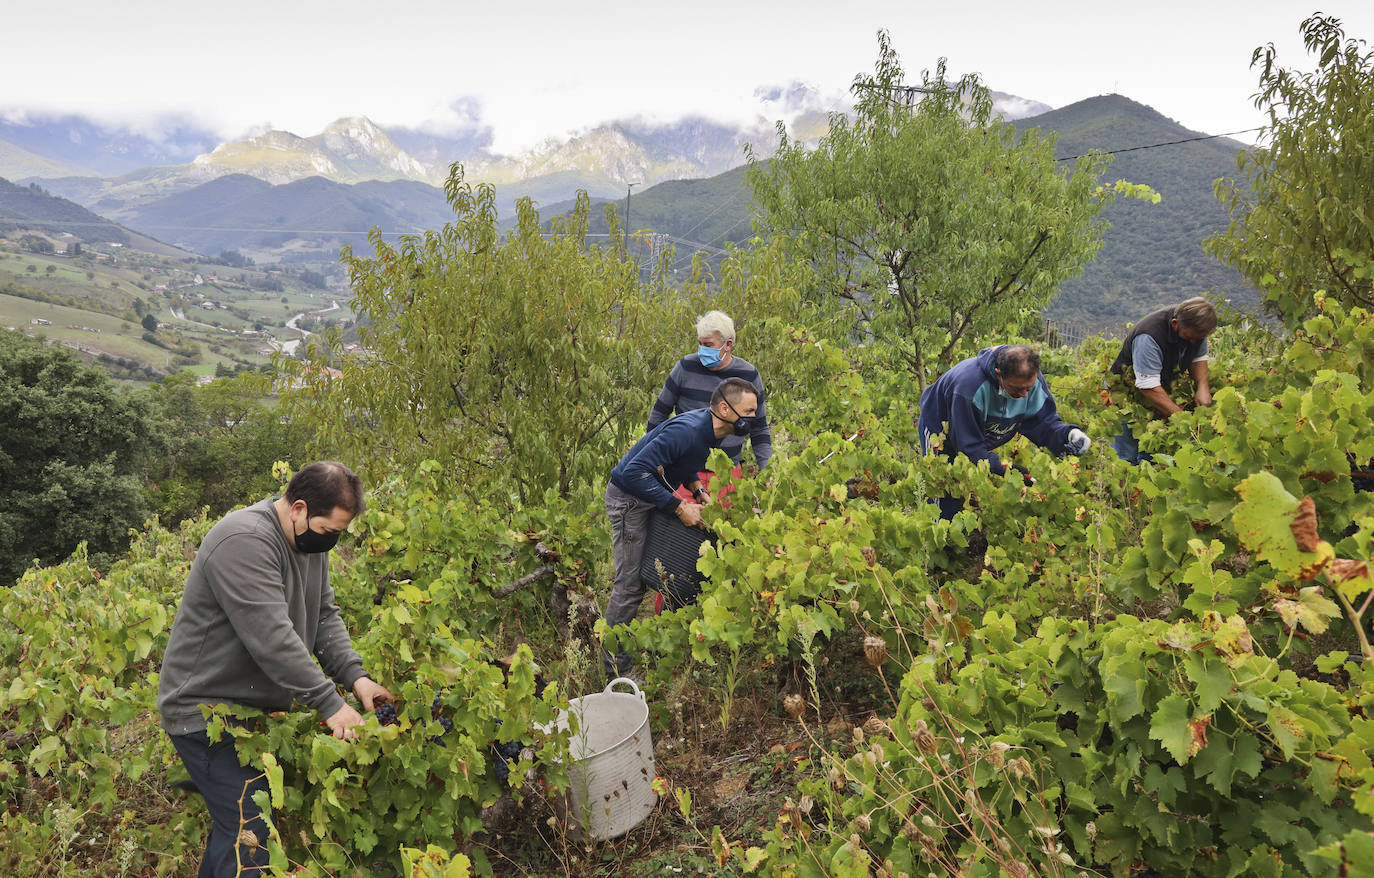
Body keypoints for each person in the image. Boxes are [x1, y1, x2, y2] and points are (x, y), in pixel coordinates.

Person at [157, 461, 392, 877]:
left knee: (241, 826)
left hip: (249, 710)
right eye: (328, 531)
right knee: (251, 829)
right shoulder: (243, 540)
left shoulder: (307, 542)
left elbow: (323, 616)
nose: (331, 543)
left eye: (340, 533)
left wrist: (356, 678)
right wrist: (329, 704)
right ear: (298, 508)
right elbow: (271, 637)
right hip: (203, 712)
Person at [604, 377, 759, 676]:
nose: (753, 418)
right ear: (725, 409)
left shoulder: (710, 431)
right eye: (749, 411)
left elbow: (685, 462)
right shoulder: (686, 431)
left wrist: (697, 490)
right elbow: (632, 473)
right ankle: (616, 672)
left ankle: (659, 647)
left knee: (661, 572)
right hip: (628, 501)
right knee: (629, 585)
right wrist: (677, 505)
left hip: (648, 497)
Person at [918, 345, 1091, 519]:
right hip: (940, 429)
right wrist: (1005, 469)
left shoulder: (1030, 379)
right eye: (1017, 389)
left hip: (979, 429)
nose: (1024, 395)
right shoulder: (969, 388)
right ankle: (940, 536)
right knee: (944, 491)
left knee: (964, 487)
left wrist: (1070, 435)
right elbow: (968, 448)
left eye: (1028, 389)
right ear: (999, 374)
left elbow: (1044, 422)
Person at [647, 310, 771, 472]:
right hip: (685, 470)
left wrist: (766, 470)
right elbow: (659, 414)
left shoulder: (748, 375)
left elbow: (759, 427)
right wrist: (651, 457)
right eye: (700, 344)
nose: (702, 350)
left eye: (708, 345)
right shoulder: (685, 367)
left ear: (728, 344)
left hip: (728, 472)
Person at [1109, 297, 1218, 464]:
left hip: (1160, 387)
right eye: (1189, 337)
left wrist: (1202, 386)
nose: (1193, 342)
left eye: (1199, 338)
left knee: (1155, 449)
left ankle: (1148, 480)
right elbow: (1148, 387)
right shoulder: (1149, 337)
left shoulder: (1196, 327)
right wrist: (1182, 420)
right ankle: (1124, 485)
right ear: (1175, 324)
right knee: (1127, 453)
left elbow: (1199, 358)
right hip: (1125, 393)